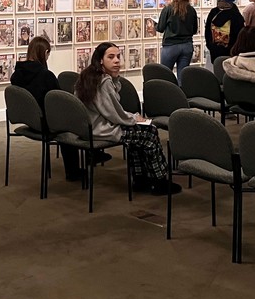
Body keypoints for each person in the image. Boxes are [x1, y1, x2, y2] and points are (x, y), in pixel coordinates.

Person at [75, 42, 181, 195]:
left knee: (139, 135)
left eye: (118, 56)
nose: (117, 61)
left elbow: (111, 111)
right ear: (100, 60)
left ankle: (140, 178)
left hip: (90, 127)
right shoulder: (103, 82)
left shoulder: (87, 76)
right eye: (111, 57)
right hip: (102, 129)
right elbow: (115, 115)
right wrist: (135, 119)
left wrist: (133, 118)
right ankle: (159, 180)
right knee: (149, 132)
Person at [10, 36, 86, 181]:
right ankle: (75, 169)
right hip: (44, 123)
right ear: (45, 53)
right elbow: (58, 102)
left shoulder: (17, 75)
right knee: (71, 123)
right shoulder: (46, 76)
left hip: (30, 120)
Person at [156, 0, 197, 85]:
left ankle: (167, 98)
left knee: (165, 76)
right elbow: (194, 30)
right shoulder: (191, 10)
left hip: (171, 46)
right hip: (187, 46)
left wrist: (155, 24)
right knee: (182, 78)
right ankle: (182, 99)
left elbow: (160, 28)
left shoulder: (168, 9)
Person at [204, 0, 244, 64]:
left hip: (215, 49)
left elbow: (207, 31)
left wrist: (210, 46)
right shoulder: (235, 14)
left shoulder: (214, 12)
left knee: (217, 72)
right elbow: (240, 33)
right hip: (230, 51)